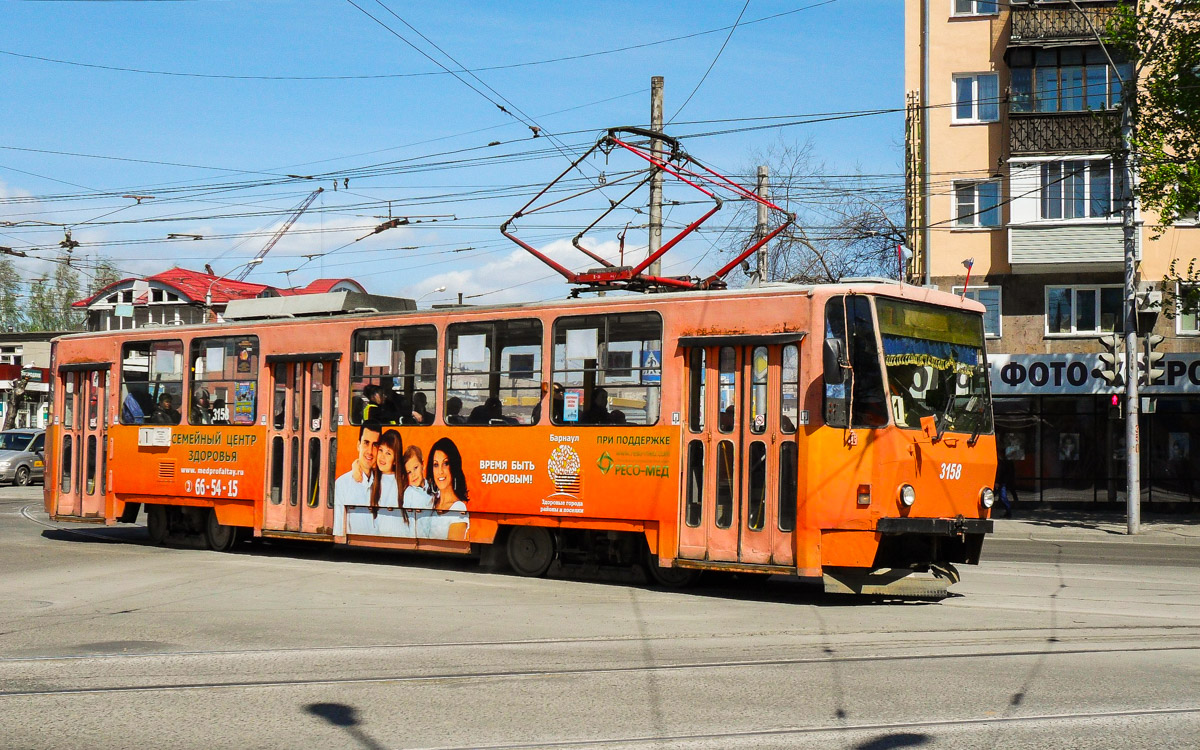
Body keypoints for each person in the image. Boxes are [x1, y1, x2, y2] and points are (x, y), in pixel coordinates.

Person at [333, 421, 380, 536]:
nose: (370, 451)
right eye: (366, 443)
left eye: (375, 445)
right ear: (358, 445)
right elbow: (339, 527)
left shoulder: (385, 481)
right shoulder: (342, 483)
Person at [419, 437, 469, 541]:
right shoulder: (430, 501)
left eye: (445, 463)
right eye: (436, 465)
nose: (440, 471)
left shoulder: (458, 508)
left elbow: (452, 549)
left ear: (454, 466)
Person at [369, 430, 410, 536]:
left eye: (388, 453)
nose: (382, 457)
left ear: (395, 460)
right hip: (378, 538)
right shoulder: (373, 478)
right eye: (381, 450)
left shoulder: (403, 480)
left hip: (400, 537)